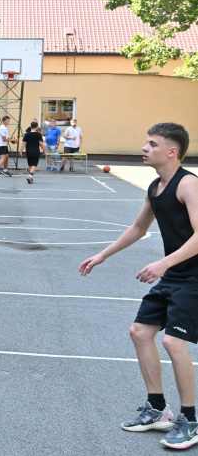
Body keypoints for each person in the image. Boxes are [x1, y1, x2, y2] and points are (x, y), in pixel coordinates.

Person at [79, 123, 198, 449]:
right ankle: (159, 410)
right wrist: (102, 255)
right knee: (140, 332)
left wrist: (163, 263)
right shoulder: (155, 187)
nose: (144, 148)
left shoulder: (188, 184)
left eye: (152, 143)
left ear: (171, 151)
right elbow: (137, 228)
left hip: (194, 278)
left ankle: (190, 420)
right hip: (175, 275)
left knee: (173, 342)